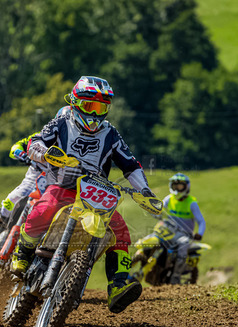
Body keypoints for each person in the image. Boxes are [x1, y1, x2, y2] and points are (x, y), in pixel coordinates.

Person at [11, 76, 156, 313]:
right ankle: (23, 254)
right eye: (90, 106)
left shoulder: (110, 133)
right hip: (63, 187)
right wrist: (45, 153)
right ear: (76, 103)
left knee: (119, 231)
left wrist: (145, 191)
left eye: (102, 108)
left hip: (94, 194)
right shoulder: (61, 122)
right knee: (43, 209)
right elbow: (35, 141)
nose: (95, 114)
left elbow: (130, 165)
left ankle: (118, 285)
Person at [0, 106, 72, 257]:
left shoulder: (76, 146)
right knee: (11, 200)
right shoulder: (41, 136)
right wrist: (22, 155)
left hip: (58, 184)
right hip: (35, 176)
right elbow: (16, 147)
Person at [158, 173, 206, 284]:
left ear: (186, 187)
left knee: (183, 247)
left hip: (184, 236)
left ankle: (175, 277)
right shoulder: (169, 199)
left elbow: (201, 221)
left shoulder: (192, 203)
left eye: (180, 186)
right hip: (168, 232)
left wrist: (200, 233)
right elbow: (159, 209)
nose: (177, 189)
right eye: (175, 186)